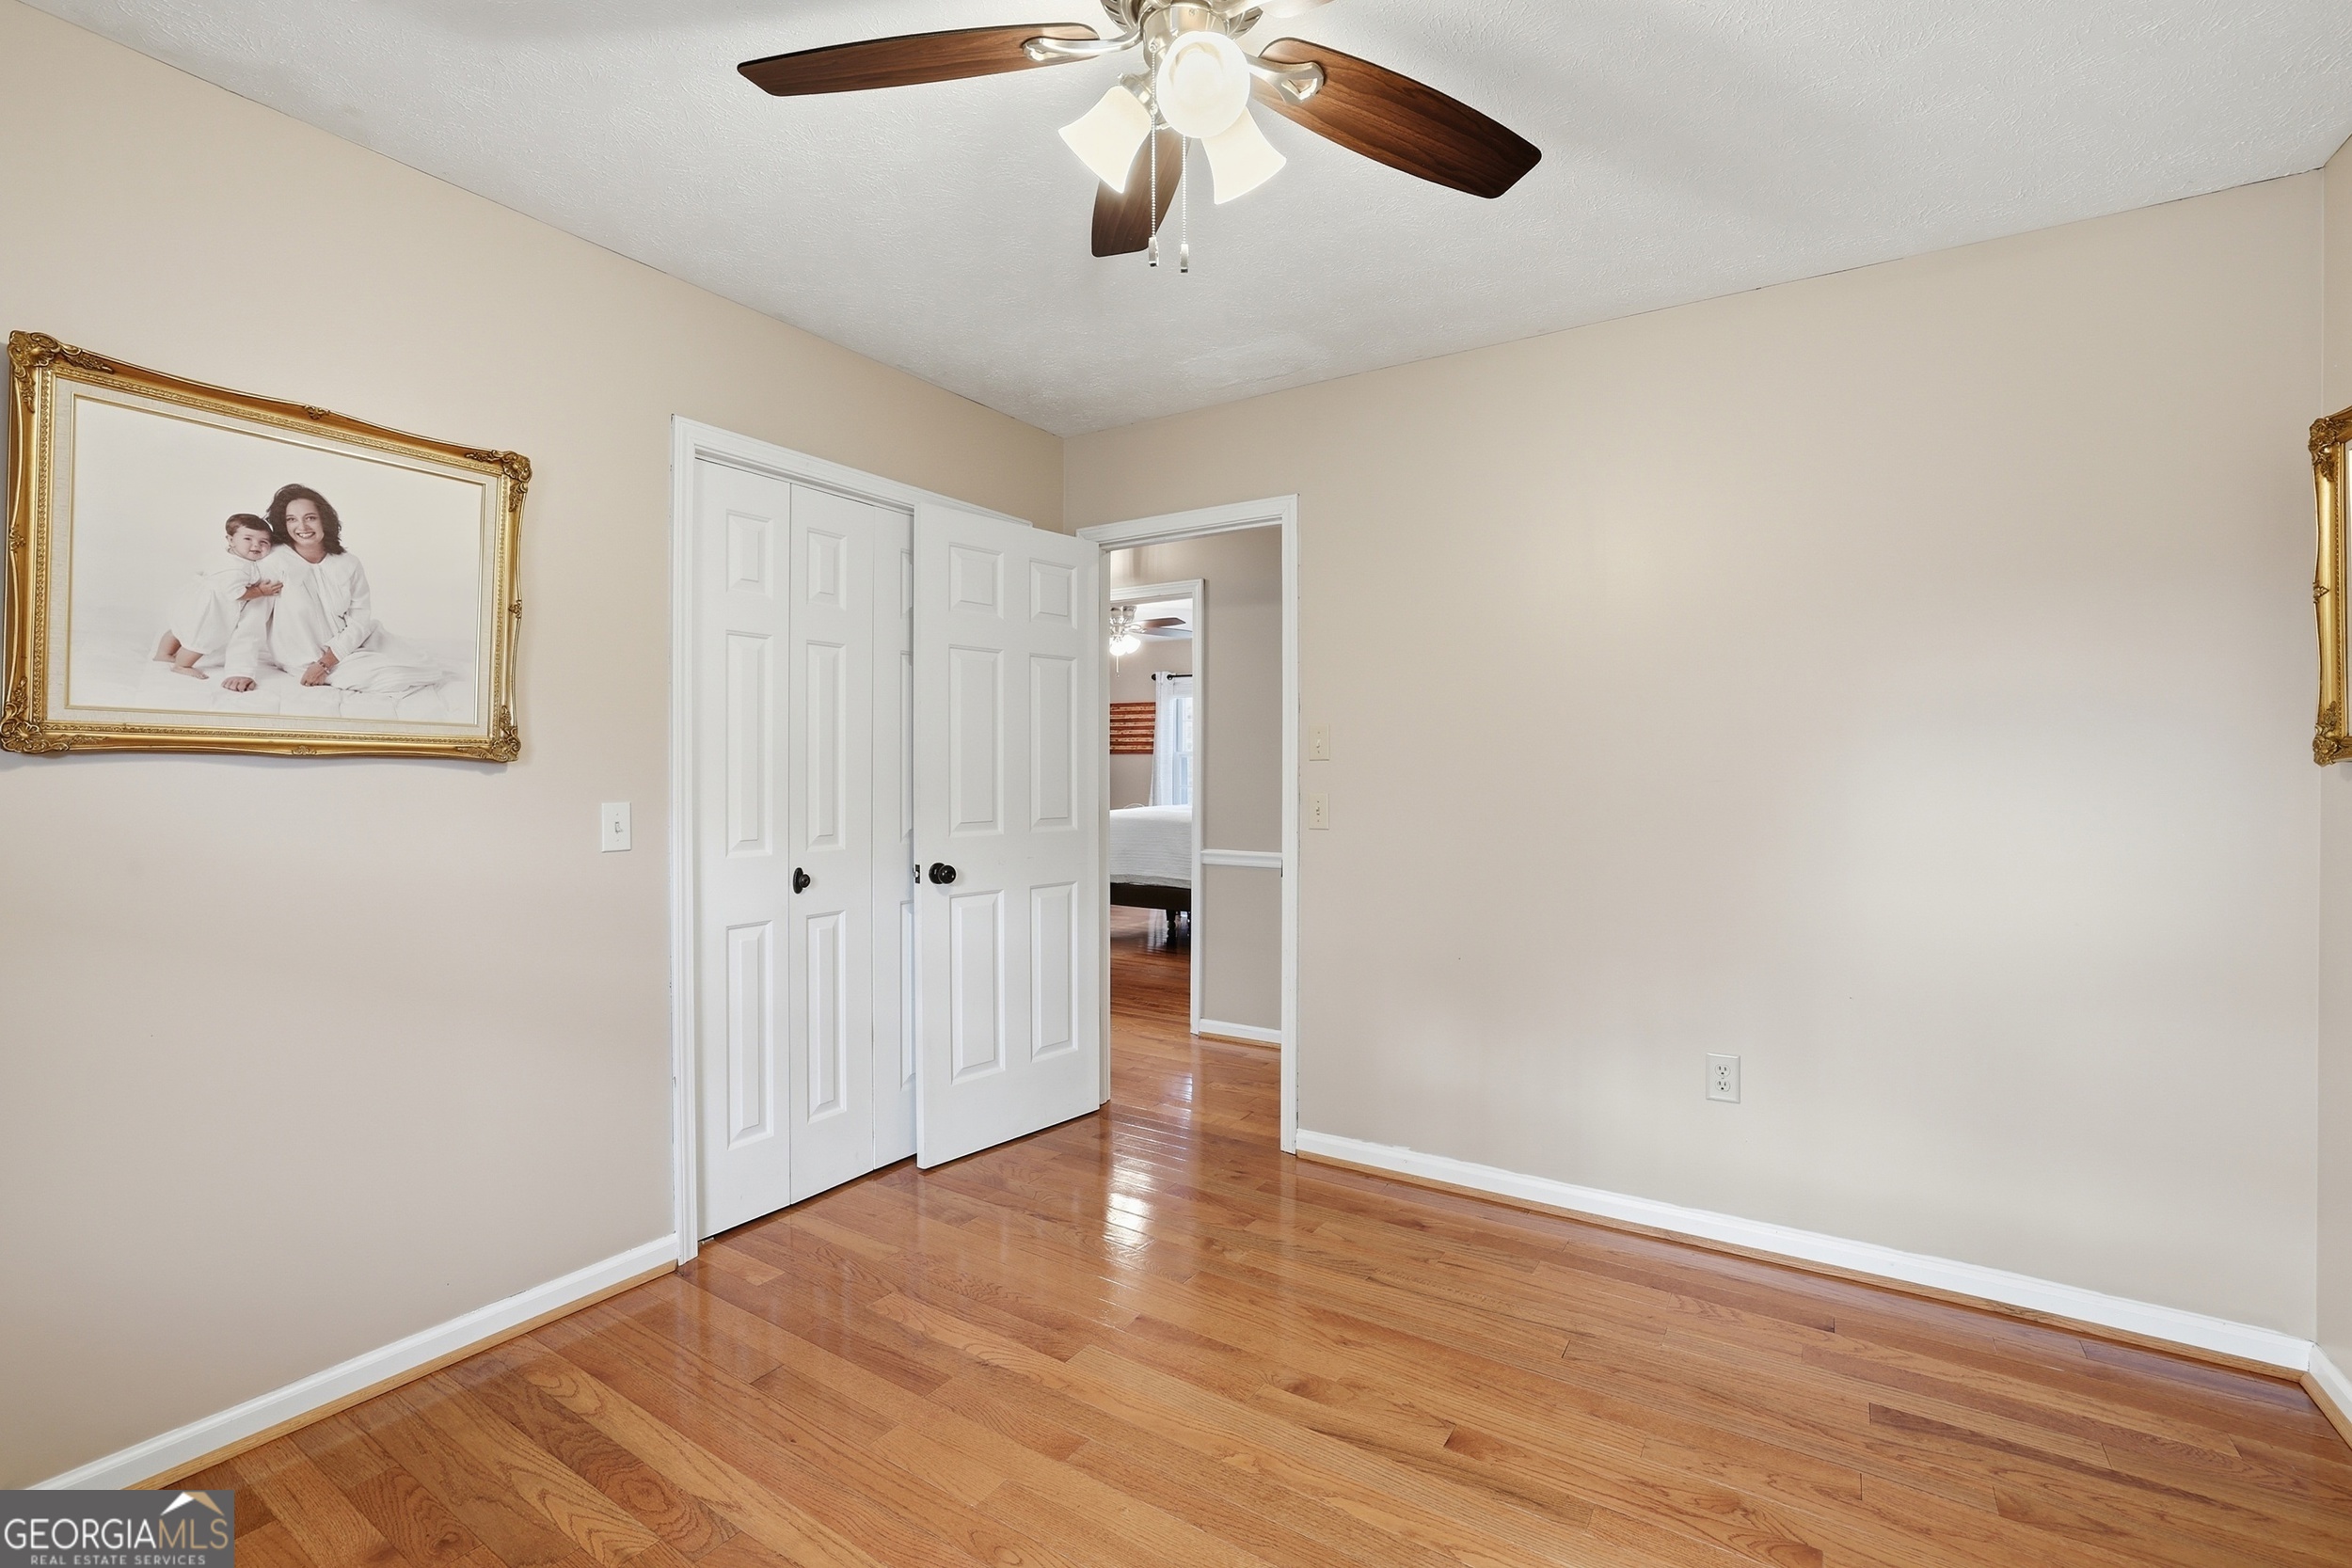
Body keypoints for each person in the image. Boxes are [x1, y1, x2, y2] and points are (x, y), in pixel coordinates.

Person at [221, 483, 443, 697]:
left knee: (425, 665)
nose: (303, 527)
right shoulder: (274, 561)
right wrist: (239, 670)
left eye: (310, 518)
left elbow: (360, 619)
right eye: (292, 519)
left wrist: (326, 663)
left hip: (354, 644)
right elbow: (252, 620)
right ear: (284, 524)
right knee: (394, 678)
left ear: (323, 520)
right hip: (304, 658)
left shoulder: (348, 562)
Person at [152, 514, 282, 679]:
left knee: (179, 630)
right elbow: (237, 594)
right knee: (200, 639)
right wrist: (262, 592)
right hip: (209, 610)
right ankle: (181, 665)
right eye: (248, 539)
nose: (256, 545)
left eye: (264, 542)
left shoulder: (226, 556)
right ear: (230, 539)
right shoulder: (236, 568)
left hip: (192, 601)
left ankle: (162, 654)